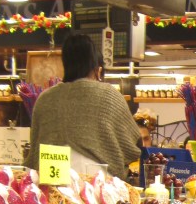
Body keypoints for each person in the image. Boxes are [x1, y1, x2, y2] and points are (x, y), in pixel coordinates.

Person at [25, 32, 141, 180]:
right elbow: (132, 145)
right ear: (97, 69)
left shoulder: (44, 99)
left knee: (56, 201)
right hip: (96, 184)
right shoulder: (108, 95)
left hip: (51, 182)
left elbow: (34, 152)